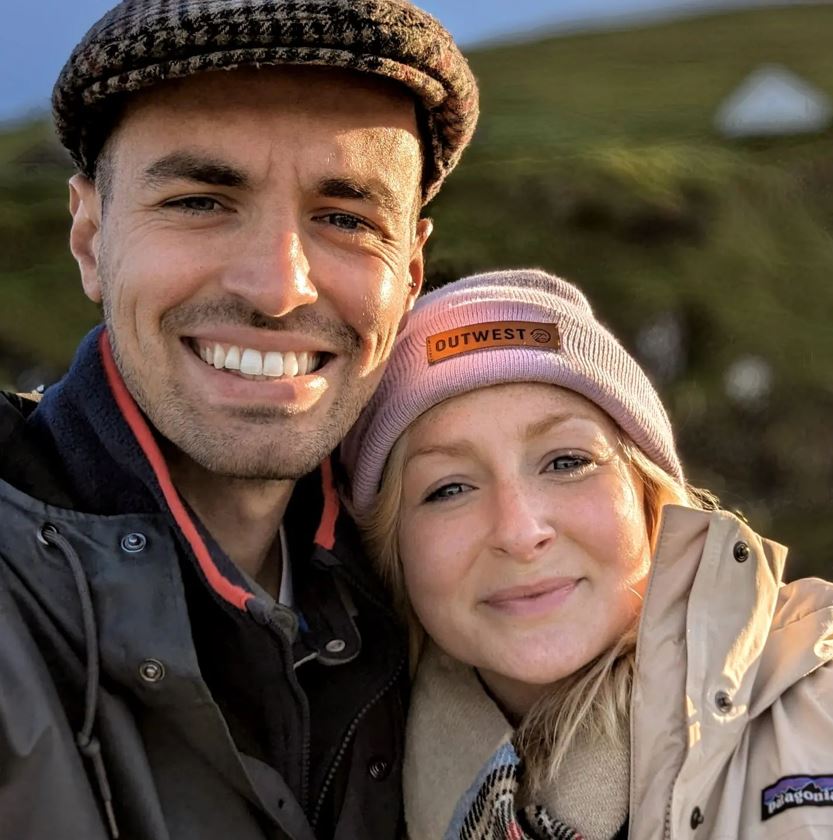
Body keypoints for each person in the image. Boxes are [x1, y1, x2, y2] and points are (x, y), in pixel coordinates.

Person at [0, 2, 477, 838]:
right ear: (89, 238)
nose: (277, 286)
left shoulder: (470, 587)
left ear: (410, 271)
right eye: (200, 201)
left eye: (345, 218)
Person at [341, 269, 833, 840]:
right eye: (449, 488)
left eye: (566, 462)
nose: (520, 531)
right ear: (393, 551)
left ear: (650, 498)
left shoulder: (817, 707)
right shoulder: (345, 780)